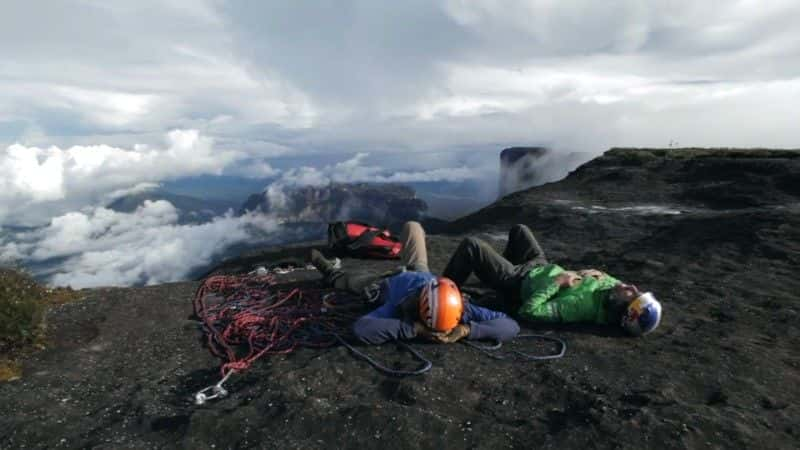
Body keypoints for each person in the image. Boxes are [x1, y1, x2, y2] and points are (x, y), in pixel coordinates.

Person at [310, 221, 520, 345]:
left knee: (350, 281)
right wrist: (418, 329)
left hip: (413, 278)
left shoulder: (458, 307)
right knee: (412, 226)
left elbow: (362, 329)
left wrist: (466, 330)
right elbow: (362, 329)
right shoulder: (404, 303)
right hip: (398, 280)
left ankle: (330, 271)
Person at [442, 224, 662, 336]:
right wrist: (595, 273)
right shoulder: (612, 292)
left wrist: (557, 283)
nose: (631, 287)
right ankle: (495, 276)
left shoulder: (579, 306)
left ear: (624, 308)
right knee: (520, 230)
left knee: (471, 245)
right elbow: (608, 279)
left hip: (520, 281)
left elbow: (529, 311)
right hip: (538, 265)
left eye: (633, 294)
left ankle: (441, 293)